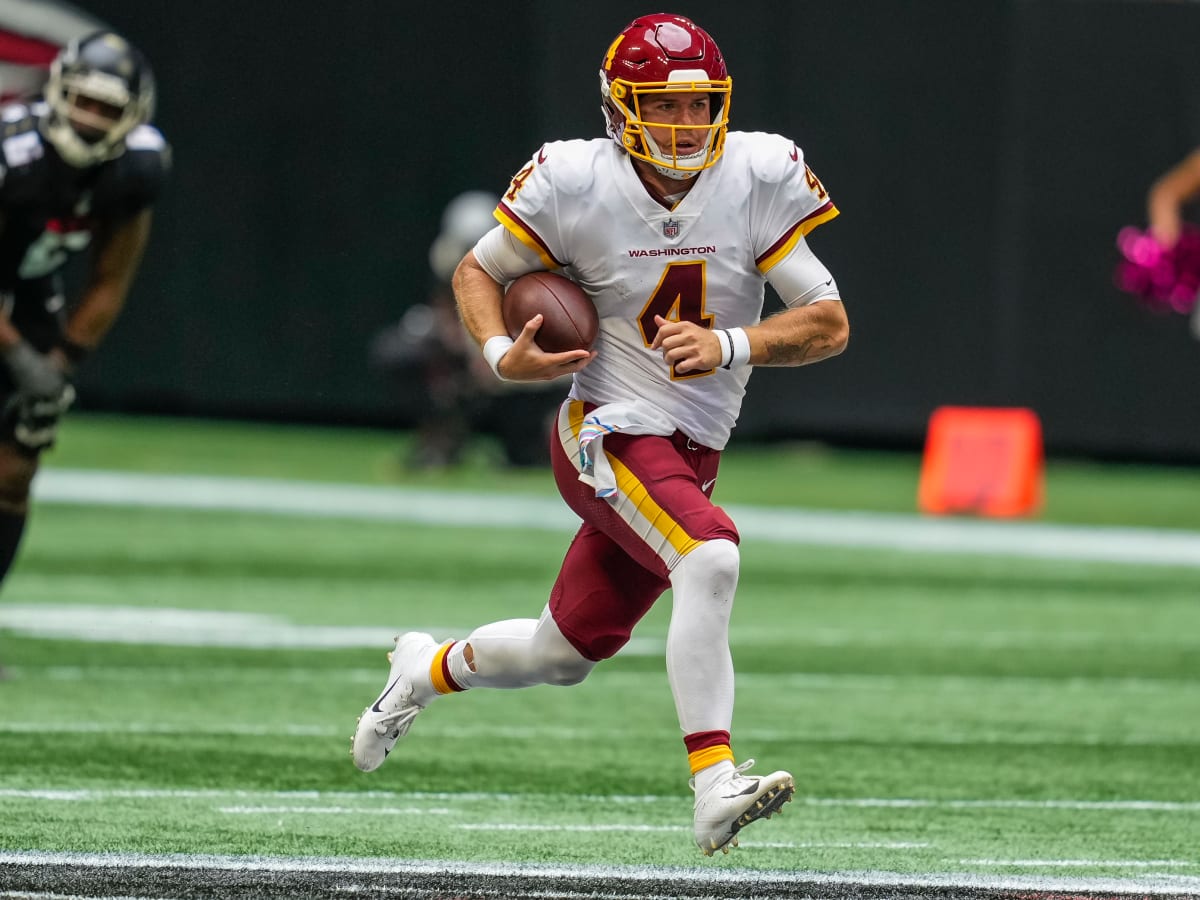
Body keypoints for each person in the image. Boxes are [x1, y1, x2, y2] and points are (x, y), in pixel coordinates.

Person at [351, 13, 849, 856]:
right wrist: (500, 352)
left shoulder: (758, 173)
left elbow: (829, 322)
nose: (688, 127)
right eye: (665, 106)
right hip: (606, 428)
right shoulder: (575, 180)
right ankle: (713, 782)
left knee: (563, 652)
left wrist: (731, 343)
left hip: (691, 448)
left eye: (701, 108)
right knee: (712, 555)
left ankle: (423, 670)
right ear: (621, 110)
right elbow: (480, 269)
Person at [0, 31, 169, 669]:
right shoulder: (11, 152)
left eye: (105, 108)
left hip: (27, 292)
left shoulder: (138, 168)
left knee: (16, 468)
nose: (89, 119)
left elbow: (110, 279)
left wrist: (59, 365)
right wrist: (21, 363)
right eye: (81, 102)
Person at [368, 191, 562, 469]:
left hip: (521, 367)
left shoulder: (527, 264)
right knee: (401, 351)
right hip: (475, 352)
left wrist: (497, 350)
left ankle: (535, 438)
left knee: (525, 455)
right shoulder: (447, 256)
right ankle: (442, 435)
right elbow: (445, 305)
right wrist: (463, 344)